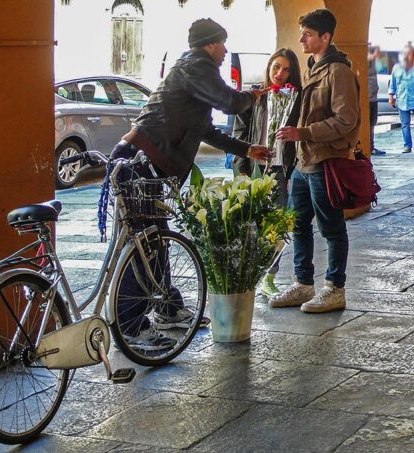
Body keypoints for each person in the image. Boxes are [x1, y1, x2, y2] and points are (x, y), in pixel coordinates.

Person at [111, 18, 269, 350]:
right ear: (209, 44)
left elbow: (206, 130)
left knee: (154, 240)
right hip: (141, 163)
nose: (225, 51)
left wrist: (246, 150)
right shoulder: (196, 65)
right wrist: (253, 96)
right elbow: (228, 101)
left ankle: (168, 309)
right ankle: (131, 327)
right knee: (142, 245)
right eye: (222, 44)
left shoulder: (193, 73)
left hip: (148, 164)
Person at [272, 8, 360, 313]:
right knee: (297, 223)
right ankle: (303, 283)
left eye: (308, 34)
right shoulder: (314, 67)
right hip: (304, 160)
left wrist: (304, 132)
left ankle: (335, 288)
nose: (302, 39)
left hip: (325, 160)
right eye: (302, 33)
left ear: (326, 37)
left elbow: (346, 119)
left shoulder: (339, 72)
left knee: (331, 227)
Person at [231, 48, 303, 297]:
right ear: (269, 67)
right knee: (252, 223)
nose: (279, 73)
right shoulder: (255, 96)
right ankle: (249, 273)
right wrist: (240, 171)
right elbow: (239, 135)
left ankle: (269, 276)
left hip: (282, 170)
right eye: (276, 67)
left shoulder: (297, 98)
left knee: (277, 225)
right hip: (255, 168)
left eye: (285, 69)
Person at [388, 45, 414, 153]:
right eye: (404, 54)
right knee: (404, 124)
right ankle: (407, 146)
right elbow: (392, 84)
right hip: (402, 100)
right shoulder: (396, 68)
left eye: (409, 54)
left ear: (413, 56)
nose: (406, 56)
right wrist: (391, 97)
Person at [368, 45, 386, 156]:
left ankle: (371, 146)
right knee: (369, 123)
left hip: (373, 97)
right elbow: (369, 57)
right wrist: (375, 52)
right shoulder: (367, 58)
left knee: (372, 123)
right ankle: (369, 146)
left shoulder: (373, 63)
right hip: (368, 98)